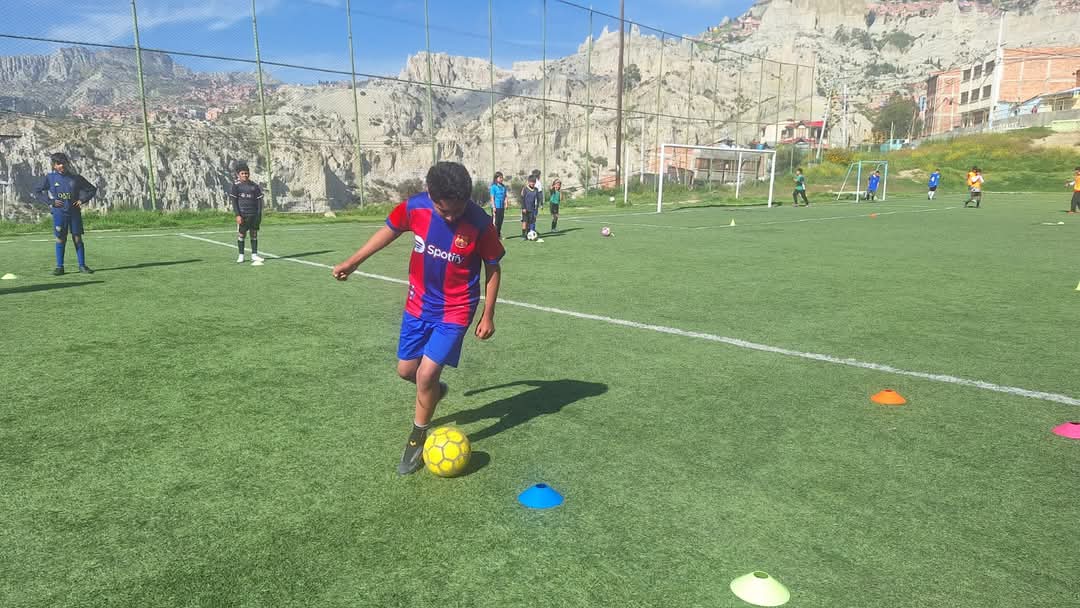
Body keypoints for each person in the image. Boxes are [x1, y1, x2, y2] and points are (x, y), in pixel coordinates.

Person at [331, 162, 504, 475]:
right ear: (430, 196)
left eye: (457, 210)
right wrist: (354, 261)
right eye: (443, 211)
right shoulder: (416, 208)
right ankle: (434, 392)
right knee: (406, 370)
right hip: (417, 305)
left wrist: (487, 313)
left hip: (456, 308)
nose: (451, 218)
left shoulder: (480, 224)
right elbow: (388, 231)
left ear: (468, 198)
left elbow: (493, 267)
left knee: (425, 375)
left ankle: (417, 437)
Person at [35, 152, 96, 275]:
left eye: (63, 163)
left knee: (77, 238)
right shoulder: (50, 178)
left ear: (67, 163)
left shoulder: (76, 178)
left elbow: (92, 189)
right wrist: (50, 201)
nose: (61, 165)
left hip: (74, 213)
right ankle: (59, 267)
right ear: (54, 165)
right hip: (59, 214)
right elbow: (37, 191)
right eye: (58, 163)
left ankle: (82, 266)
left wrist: (82, 200)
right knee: (60, 239)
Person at [229, 162, 265, 264]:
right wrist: (237, 215)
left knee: (254, 233)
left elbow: (259, 202)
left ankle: (254, 255)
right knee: (241, 234)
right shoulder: (236, 186)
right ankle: (241, 255)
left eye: (247, 173)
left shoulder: (254, 186)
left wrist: (259, 214)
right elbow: (234, 202)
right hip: (243, 215)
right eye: (243, 173)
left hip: (253, 214)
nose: (245, 175)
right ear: (238, 174)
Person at [520, 174, 540, 239]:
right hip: (525, 208)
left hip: (532, 209)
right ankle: (523, 235)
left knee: (530, 222)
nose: (532, 183)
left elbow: (537, 199)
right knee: (525, 221)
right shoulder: (525, 189)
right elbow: (522, 199)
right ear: (528, 182)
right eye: (531, 182)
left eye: (534, 182)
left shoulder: (536, 190)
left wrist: (537, 208)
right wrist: (523, 208)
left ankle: (529, 234)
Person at [489, 171, 507, 237]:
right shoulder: (493, 187)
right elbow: (492, 197)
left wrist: (506, 203)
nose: (501, 179)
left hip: (501, 207)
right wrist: (493, 206)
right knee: (495, 222)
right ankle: (494, 235)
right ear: (496, 178)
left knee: (500, 221)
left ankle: (498, 234)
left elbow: (505, 196)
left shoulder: (503, 187)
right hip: (496, 206)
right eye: (500, 177)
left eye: (502, 178)